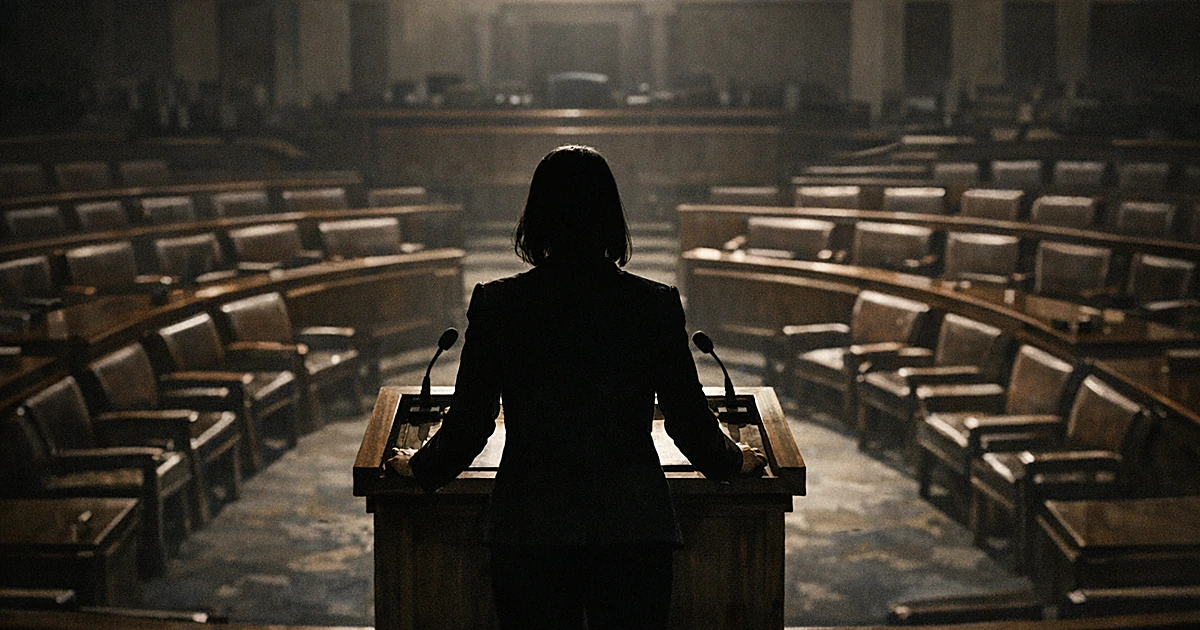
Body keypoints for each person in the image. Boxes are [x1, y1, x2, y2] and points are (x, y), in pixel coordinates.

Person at [387, 145, 768, 630]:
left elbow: (470, 425)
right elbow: (689, 424)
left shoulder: (499, 305)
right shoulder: (653, 304)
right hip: (631, 526)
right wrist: (737, 460)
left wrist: (417, 467)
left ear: (535, 218)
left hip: (531, 528)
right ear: (612, 217)